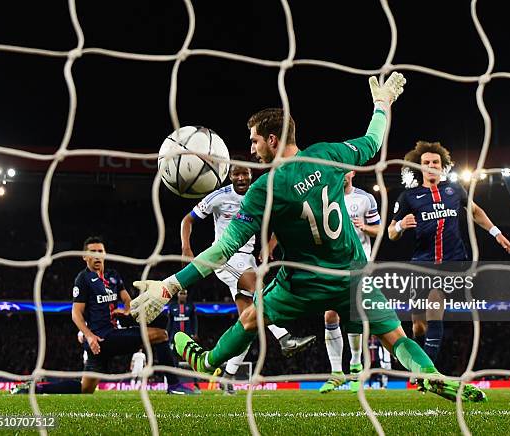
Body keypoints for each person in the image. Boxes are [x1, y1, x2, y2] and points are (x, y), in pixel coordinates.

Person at [130, 72, 486, 402]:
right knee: (396, 339)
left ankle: (208, 363)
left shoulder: (264, 189)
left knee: (251, 319)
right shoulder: (328, 155)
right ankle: (429, 372)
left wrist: (169, 286)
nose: (252, 149)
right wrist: (382, 105)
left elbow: (223, 248)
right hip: (353, 276)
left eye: (255, 141)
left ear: (272, 139)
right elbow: (373, 142)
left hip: (301, 285)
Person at [180, 160, 316, 392]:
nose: (241, 178)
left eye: (245, 174)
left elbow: (280, 221)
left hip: (249, 258)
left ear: (251, 175)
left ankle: (228, 376)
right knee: (259, 292)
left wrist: (269, 246)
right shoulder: (219, 196)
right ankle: (285, 338)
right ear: (230, 176)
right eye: (237, 174)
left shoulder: (259, 194)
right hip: (225, 256)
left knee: (249, 323)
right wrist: (186, 248)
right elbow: (188, 220)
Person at [13, 236, 194, 395]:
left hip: (110, 336)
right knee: (161, 334)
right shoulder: (83, 279)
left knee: (85, 388)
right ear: (85, 257)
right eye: (93, 252)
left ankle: (36, 389)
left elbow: (128, 302)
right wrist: (89, 336)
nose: (97, 254)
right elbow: (76, 313)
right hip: (101, 338)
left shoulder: (113, 276)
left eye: (100, 251)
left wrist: (126, 311)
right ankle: (174, 385)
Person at [387, 141, 510, 366]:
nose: (431, 165)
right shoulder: (409, 197)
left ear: (442, 165)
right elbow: (390, 234)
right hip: (421, 263)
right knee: (418, 325)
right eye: (426, 162)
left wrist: (497, 233)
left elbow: (475, 211)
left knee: (436, 302)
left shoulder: (454, 190)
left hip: (452, 261)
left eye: (435, 162)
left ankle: (429, 371)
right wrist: (399, 226)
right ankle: (423, 361)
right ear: (420, 167)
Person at [319, 171, 382, 393]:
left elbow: (380, 230)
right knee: (329, 314)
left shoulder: (365, 199)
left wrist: (364, 227)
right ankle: (336, 372)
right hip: (332, 264)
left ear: (352, 172)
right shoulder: (324, 197)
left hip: (359, 263)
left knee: (354, 314)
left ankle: (355, 366)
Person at [167, 289, 202, 394]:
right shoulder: (172, 306)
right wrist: (167, 336)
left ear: (186, 295)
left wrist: (195, 333)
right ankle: (173, 386)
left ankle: (196, 385)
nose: (182, 296)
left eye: (184, 294)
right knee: (173, 362)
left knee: (193, 361)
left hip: (188, 338)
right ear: (177, 295)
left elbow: (194, 320)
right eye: (181, 294)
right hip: (174, 338)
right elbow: (170, 323)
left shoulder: (190, 306)